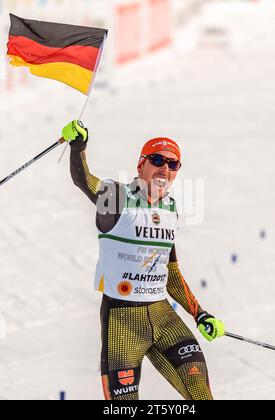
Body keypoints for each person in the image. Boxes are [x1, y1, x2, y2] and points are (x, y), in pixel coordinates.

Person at [62, 120, 225, 401]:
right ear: (140, 166)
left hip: (163, 317)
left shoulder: (171, 209)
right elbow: (84, 181)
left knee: (201, 395)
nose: (165, 168)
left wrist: (200, 313)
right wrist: (78, 148)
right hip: (123, 322)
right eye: (157, 160)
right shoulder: (117, 197)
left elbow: (171, 274)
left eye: (173, 164)